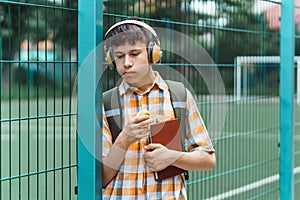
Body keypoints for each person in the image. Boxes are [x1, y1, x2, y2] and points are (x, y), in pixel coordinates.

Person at [101, 17, 216, 199]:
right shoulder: (106, 103)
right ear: (111, 60)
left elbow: (208, 159)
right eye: (120, 56)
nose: (127, 63)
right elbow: (101, 178)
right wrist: (124, 139)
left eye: (135, 53)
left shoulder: (178, 95)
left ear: (153, 54)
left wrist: (172, 157)